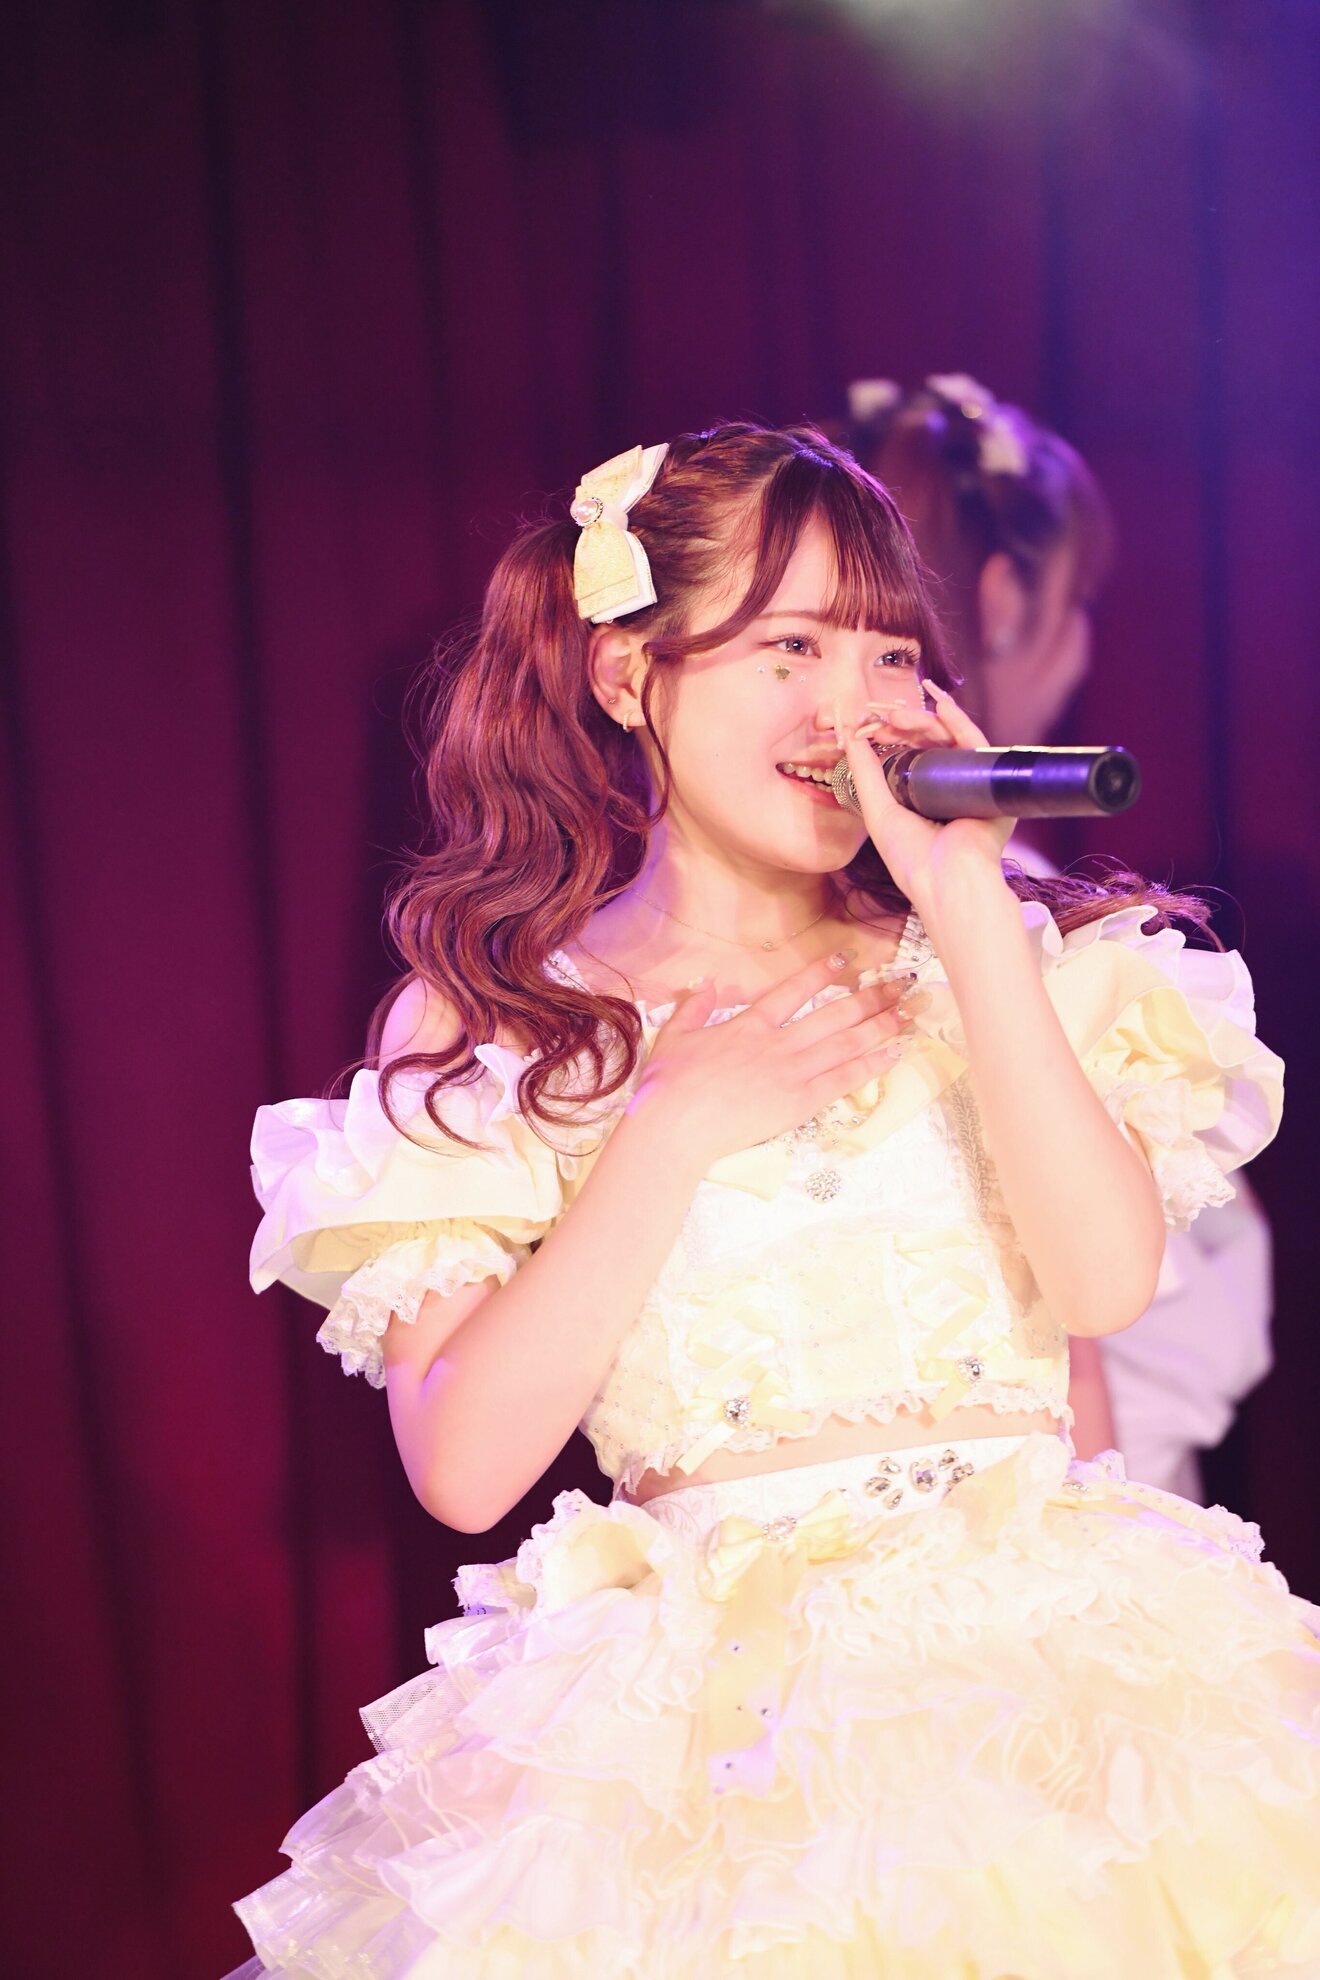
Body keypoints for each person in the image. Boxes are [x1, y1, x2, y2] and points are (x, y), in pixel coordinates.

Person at [231, 423, 1317, 1978]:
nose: (849, 706)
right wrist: (669, 1128)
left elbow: (1104, 1288)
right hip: (729, 1744)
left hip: (1058, 1703)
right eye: (790, 647)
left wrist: (972, 912)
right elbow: (464, 1469)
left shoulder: (1006, 961)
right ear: (630, 676)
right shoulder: (505, 1022)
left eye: (889, 654)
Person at [840, 374, 1274, 1495]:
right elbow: (1082, 1339)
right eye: (1082, 603)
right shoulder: (996, 910)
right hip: (1042, 1490)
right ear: (1004, 598)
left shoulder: (979, 889)